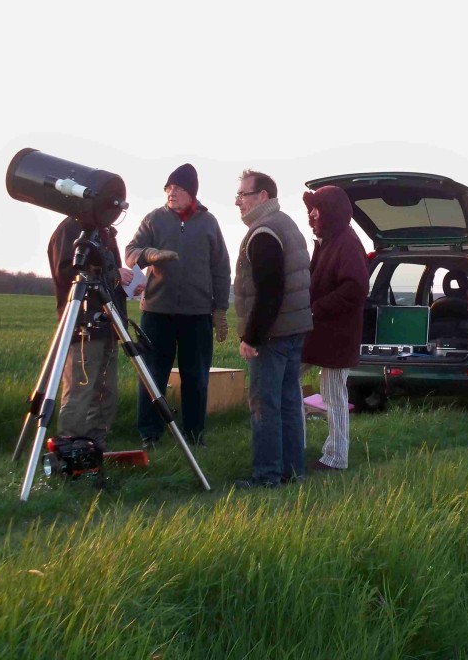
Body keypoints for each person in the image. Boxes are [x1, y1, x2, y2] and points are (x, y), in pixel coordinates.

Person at [125, 163, 231, 449]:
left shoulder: (209, 223)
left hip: (196, 315)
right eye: (168, 188)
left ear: (192, 193)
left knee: (195, 377)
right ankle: (150, 434)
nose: (172, 193)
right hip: (156, 313)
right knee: (152, 376)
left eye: (179, 188)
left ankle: (194, 436)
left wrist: (220, 308)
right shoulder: (153, 219)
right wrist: (150, 254)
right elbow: (130, 252)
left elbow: (221, 267)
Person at [232, 170, 313, 488]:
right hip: (294, 330)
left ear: (263, 196)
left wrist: (252, 337)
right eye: (238, 196)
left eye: (244, 195)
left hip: (272, 335)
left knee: (265, 406)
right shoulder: (287, 225)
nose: (239, 202)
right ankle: (293, 472)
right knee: (290, 402)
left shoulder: (264, 232)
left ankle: (266, 476)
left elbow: (270, 291)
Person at [48, 216, 135, 453]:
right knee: (80, 392)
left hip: (109, 323)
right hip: (83, 326)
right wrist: (114, 274)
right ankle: (69, 450)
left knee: (106, 393)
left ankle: (95, 447)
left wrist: (126, 284)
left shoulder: (105, 233)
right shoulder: (70, 229)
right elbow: (70, 274)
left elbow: (107, 275)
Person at [301, 185, 369, 472]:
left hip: (336, 335)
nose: (311, 214)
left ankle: (336, 457)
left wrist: (317, 307)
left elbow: (355, 288)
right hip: (320, 334)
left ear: (331, 211)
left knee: (334, 396)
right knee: (288, 378)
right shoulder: (328, 240)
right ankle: (295, 446)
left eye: (316, 208)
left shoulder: (347, 243)